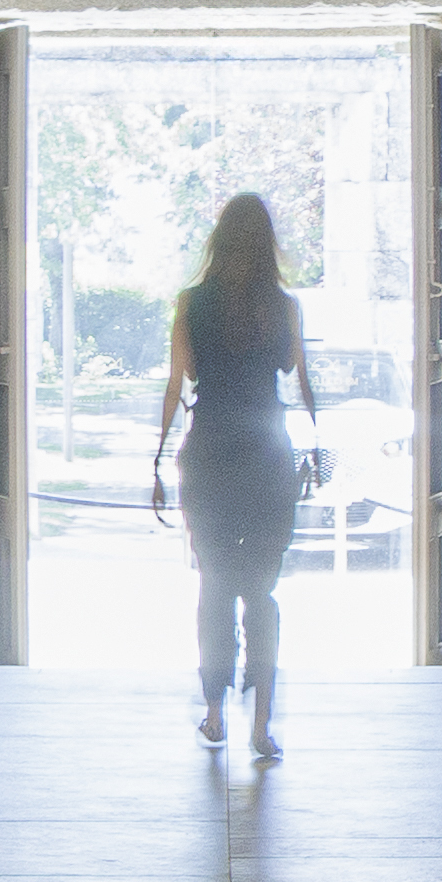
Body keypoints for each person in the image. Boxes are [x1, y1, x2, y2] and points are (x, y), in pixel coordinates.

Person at [148, 192, 317, 762]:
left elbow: (181, 380)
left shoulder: (192, 303)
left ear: (217, 240)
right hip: (269, 456)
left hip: (212, 452)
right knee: (261, 593)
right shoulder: (284, 306)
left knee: (215, 585)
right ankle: (262, 723)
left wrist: (156, 459)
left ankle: (216, 710)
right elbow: (297, 373)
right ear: (268, 244)